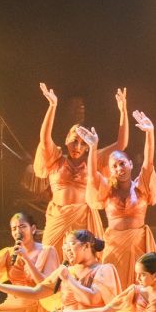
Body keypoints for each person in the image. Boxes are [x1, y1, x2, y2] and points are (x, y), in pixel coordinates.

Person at [88, 109, 156, 312]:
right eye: (114, 166)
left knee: (139, 292)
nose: (119, 169)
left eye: (122, 164)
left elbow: (148, 163)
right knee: (115, 292)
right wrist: (92, 148)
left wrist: (150, 133)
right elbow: (92, 177)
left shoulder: (141, 187)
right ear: (110, 170)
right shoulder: (107, 191)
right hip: (115, 248)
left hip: (138, 245)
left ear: (129, 164)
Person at [33, 85, 120, 254]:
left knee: (83, 259)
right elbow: (44, 139)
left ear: (87, 146)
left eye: (82, 143)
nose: (77, 146)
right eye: (74, 141)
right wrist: (52, 106)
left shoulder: (92, 161)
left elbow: (121, 144)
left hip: (83, 216)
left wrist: (123, 111)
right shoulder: (56, 159)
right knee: (50, 257)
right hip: (58, 217)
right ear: (67, 140)